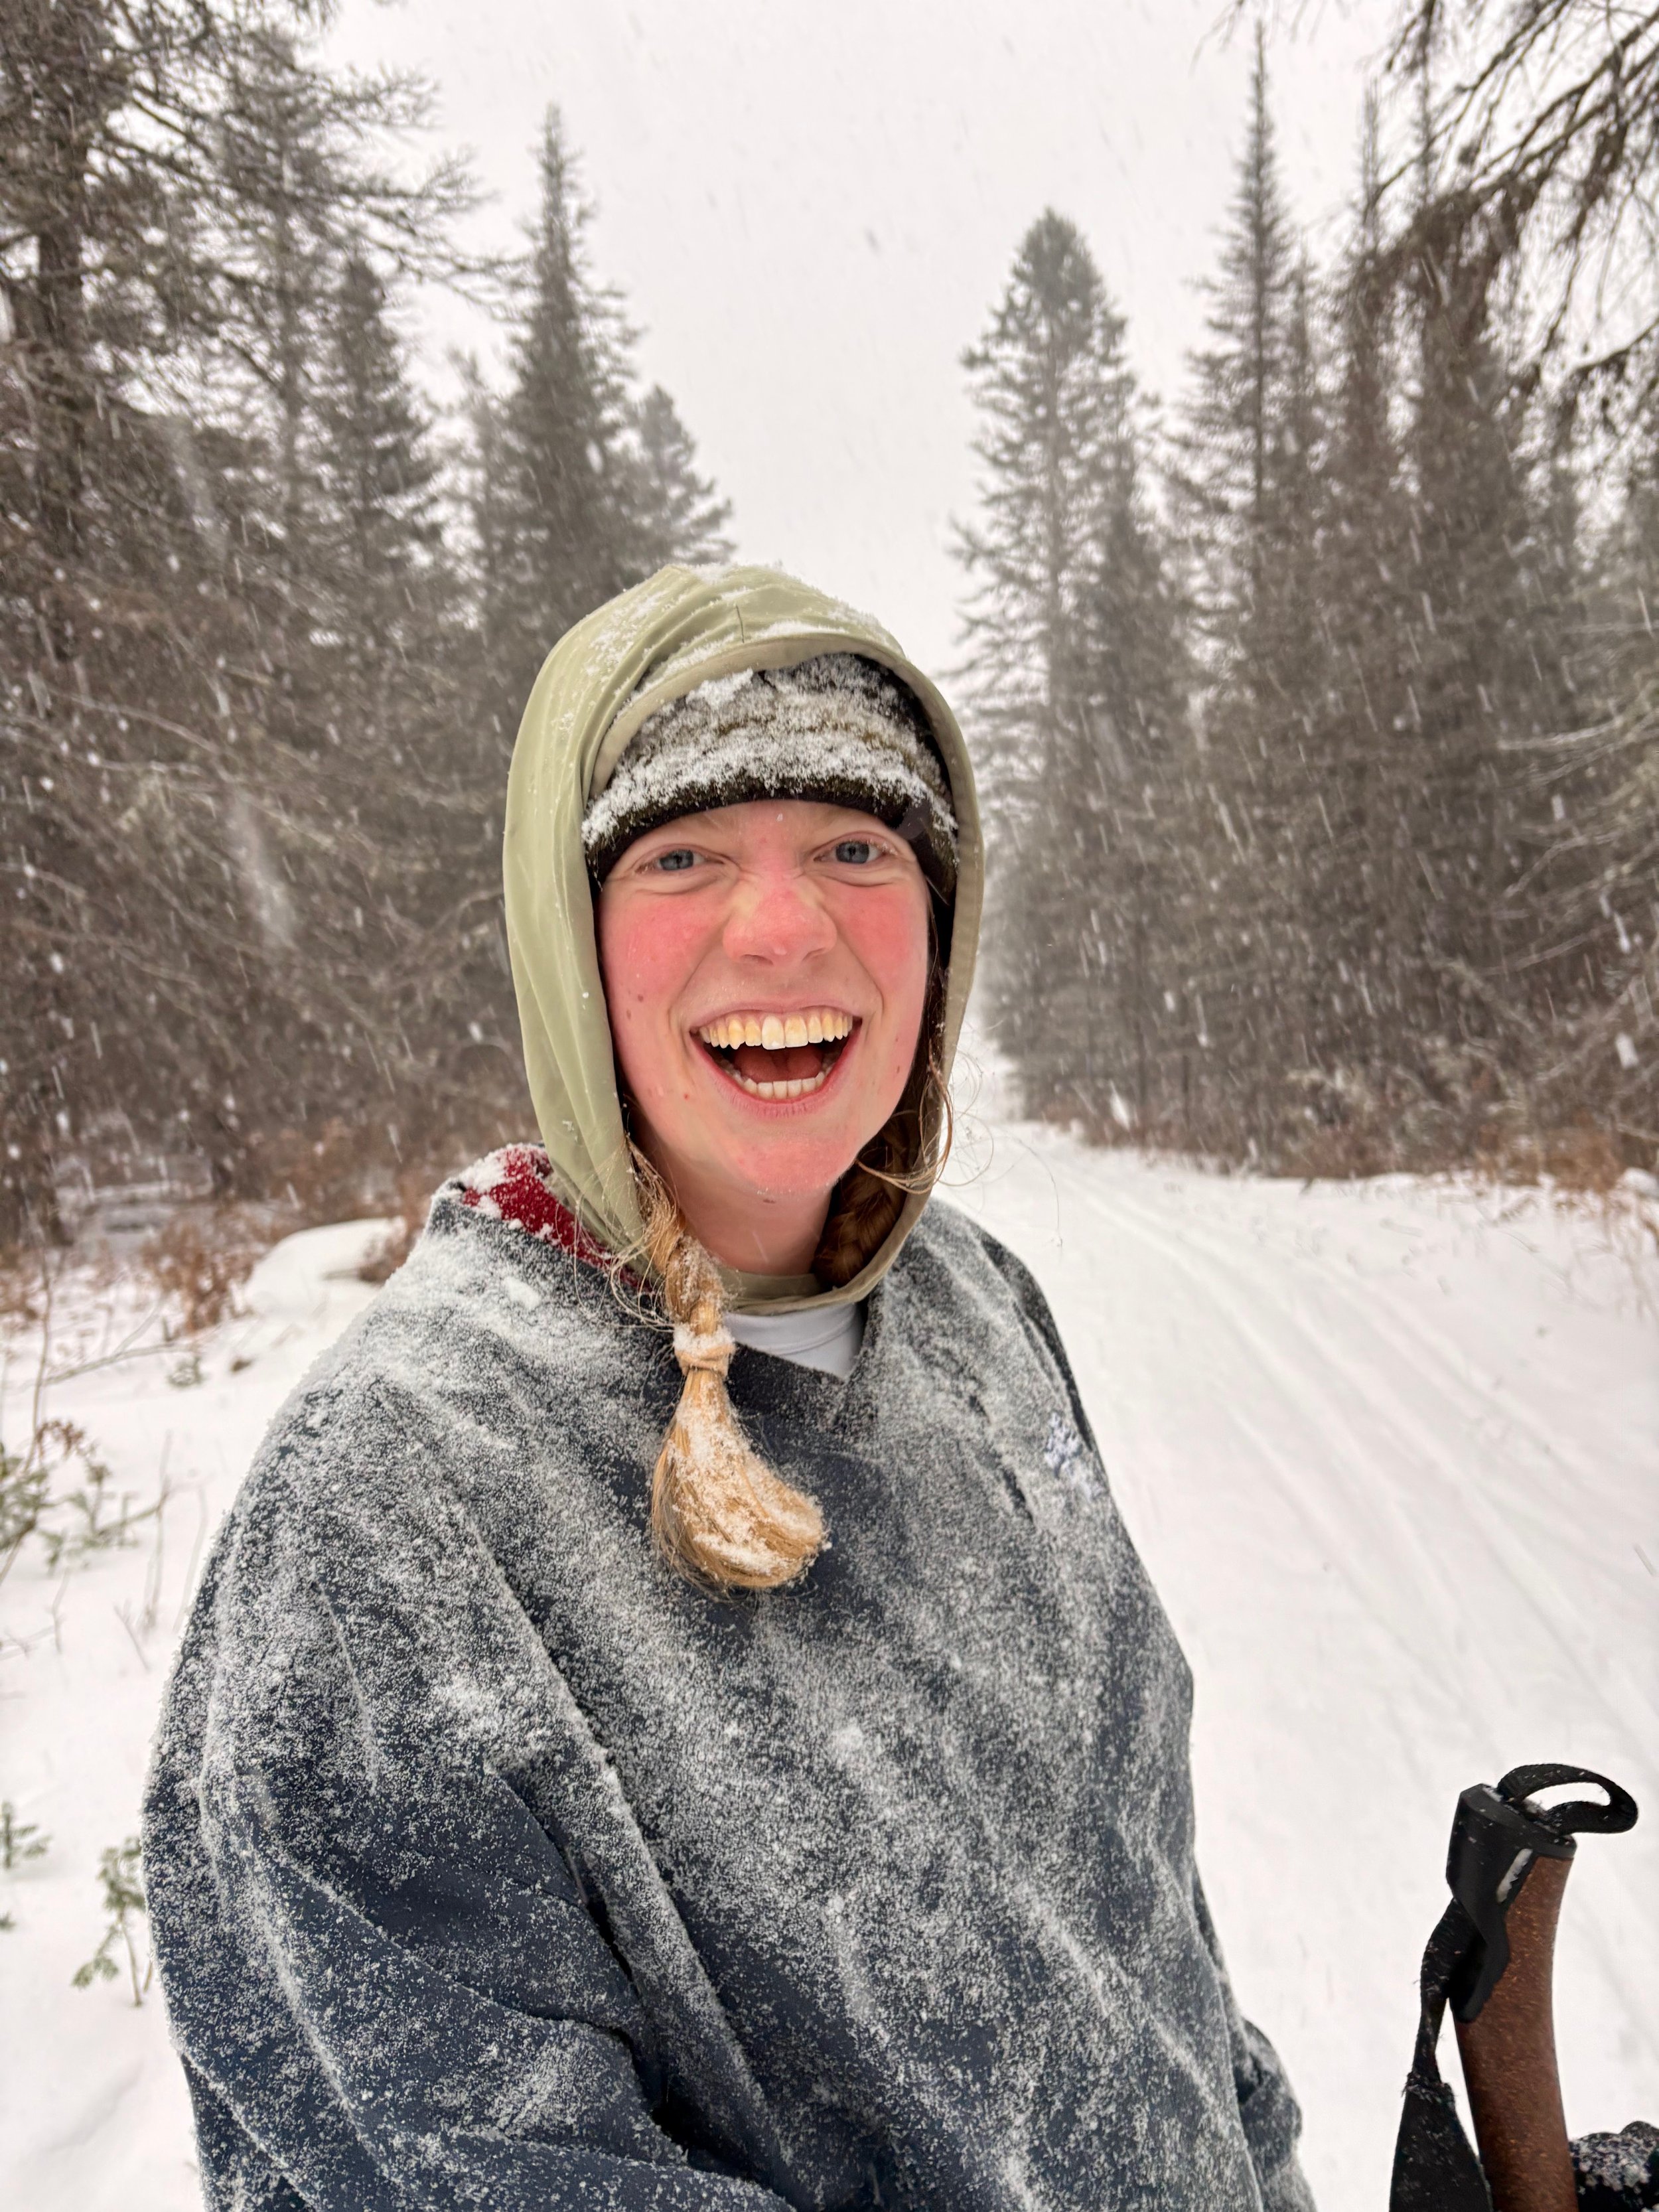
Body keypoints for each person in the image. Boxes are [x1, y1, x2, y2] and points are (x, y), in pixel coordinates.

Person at [143, 565, 1315, 2211]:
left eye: (857, 846)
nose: (783, 927)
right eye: (683, 855)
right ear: (569, 931)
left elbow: (1134, 1922)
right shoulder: (395, 1496)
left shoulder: (976, 1308)